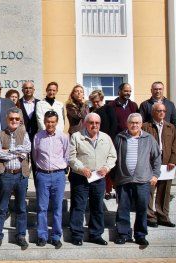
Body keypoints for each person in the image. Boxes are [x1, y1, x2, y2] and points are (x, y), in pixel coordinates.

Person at [68, 113, 117, 246]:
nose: (94, 125)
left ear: (99, 124)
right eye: (91, 122)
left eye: (97, 123)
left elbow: (112, 156)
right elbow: (71, 157)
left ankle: (96, 235)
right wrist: (81, 168)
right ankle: (77, 235)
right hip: (81, 177)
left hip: (98, 178)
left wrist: (106, 168)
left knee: (97, 207)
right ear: (85, 123)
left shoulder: (106, 138)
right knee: (78, 206)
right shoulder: (76, 137)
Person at [113, 113, 161, 246]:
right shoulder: (120, 137)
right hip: (124, 179)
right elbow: (113, 158)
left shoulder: (149, 138)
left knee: (142, 208)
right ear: (127, 124)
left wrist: (155, 175)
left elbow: (157, 157)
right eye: (132, 122)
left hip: (143, 180)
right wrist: (114, 178)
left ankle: (140, 235)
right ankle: (123, 234)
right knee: (123, 208)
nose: (134, 125)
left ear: (141, 124)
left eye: (137, 123)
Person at [0, 108, 31, 250]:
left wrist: (7, 151)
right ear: (6, 120)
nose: (14, 121)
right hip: (6, 174)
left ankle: (20, 235)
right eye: (11, 119)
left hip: (21, 175)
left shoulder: (24, 133)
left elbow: (27, 150)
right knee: (2, 207)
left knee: (21, 208)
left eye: (16, 119)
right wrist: (16, 152)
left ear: (20, 120)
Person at [33, 110, 69, 249]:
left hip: (59, 175)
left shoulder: (63, 137)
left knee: (57, 207)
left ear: (57, 122)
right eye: (48, 122)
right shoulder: (38, 137)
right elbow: (35, 156)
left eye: (53, 122)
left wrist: (61, 168)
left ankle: (55, 236)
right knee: (42, 207)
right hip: (42, 175)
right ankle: (42, 236)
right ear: (44, 122)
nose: (50, 124)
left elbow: (66, 155)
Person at [142, 103, 176, 228]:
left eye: (163, 110)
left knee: (164, 191)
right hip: (150, 164)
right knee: (149, 191)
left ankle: (163, 216)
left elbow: (175, 145)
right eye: (159, 110)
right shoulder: (146, 127)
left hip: (166, 163)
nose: (162, 113)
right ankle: (150, 216)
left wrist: (173, 160)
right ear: (153, 112)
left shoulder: (170, 127)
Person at [90, 89, 118, 199]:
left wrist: (109, 140)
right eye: (93, 101)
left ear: (101, 99)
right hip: (94, 142)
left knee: (108, 166)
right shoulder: (92, 110)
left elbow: (114, 124)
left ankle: (108, 190)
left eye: (97, 101)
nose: (95, 103)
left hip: (107, 140)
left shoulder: (108, 108)